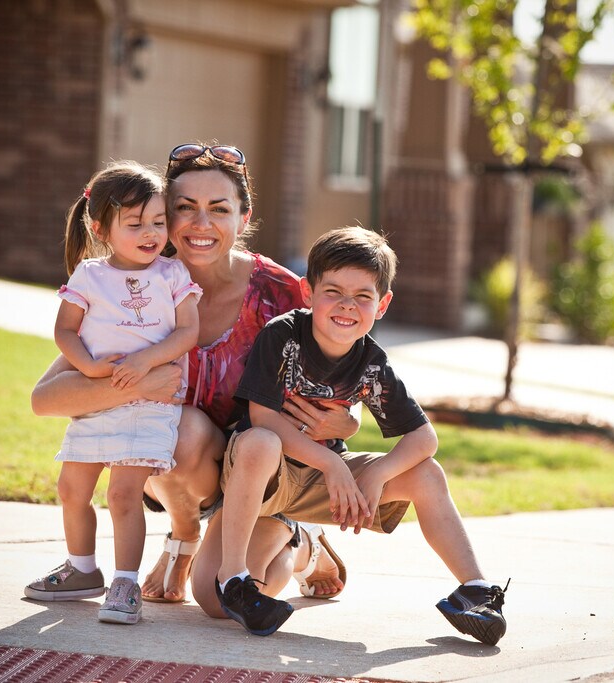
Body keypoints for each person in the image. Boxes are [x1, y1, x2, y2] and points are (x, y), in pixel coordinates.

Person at [30, 142, 351, 613]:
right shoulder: (138, 287)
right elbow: (46, 399)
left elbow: (340, 401)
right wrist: (138, 382)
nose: (201, 225)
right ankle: (184, 535)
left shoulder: (283, 294)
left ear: (244, 219)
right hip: (188, 467)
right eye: (185, 209)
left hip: (263, 476)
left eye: (219, 209)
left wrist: (345, 424)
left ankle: (302, 545)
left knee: (221, 603)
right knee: (173, 427)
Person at [214, 226, 509, 644]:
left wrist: (376, 473)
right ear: (308, 292)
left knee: (427, 473)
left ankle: (474, 590)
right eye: (332, 291)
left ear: (383, 304)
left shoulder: (372, 362)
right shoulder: (283, 335)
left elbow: (424, 439)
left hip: (320, 485)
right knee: (213, 604)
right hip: (263, 480)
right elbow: (262, 418)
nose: (346, 306)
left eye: (363, 296)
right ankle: (236, 579)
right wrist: (333, 462)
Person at [24, 161, 206, 626]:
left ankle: (126, 582)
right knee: (71, 488)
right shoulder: (88, 275)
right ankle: (83, 569)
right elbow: (65, 330)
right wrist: (86, 366)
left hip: (149, 404)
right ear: (100, 227)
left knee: (124, 495)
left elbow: (188, 331)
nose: (151, 233)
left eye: (159, 222)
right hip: (98, 398)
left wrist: (147, 360)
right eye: (136, 223)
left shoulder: (171, 274)